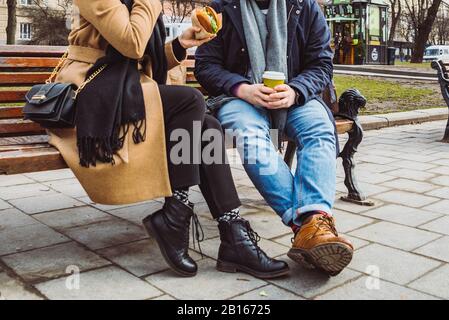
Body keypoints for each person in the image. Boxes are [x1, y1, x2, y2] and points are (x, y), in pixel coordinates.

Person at [50, 0, 289, 279]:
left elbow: (140, 58)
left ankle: (232, 232)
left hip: (120, 89)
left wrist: (181, 44)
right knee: (190, 100)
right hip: (92, 92)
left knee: (208, 127)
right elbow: (132, 44)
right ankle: (176, 211)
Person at [195, 0, 354, 276]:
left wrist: (294, 90)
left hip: (295, 97)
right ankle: (311, 226)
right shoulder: (221, 8)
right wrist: (242, 88)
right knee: (249, 135)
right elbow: (206, 66)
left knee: (319, 129)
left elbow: (321, 64)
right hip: (240, 98)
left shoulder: (305, 7)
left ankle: (311, 224)